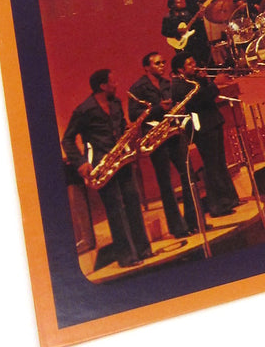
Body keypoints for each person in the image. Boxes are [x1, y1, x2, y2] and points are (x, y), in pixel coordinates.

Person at [61, 69, 152, 268]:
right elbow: (67, 139)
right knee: (115, 210)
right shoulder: (84, 110)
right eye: (113, 82)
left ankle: (143, 249)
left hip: (122, 159)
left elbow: (120, 126)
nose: (116, 85)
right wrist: (81, 162)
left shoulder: (116, 103)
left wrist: (128, 130)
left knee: (133, 202)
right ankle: (127, 257)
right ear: (102, 86)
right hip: (102, 164)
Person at [128, 52, 197, 238]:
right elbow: (133, 114)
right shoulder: (138, 88)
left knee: (188, 174)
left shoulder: (168, 84)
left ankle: (194, 220)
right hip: (156, 136)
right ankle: (178, 227)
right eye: (157, 63)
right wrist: (159, 108)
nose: (162, 65)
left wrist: (177, 108)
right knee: (165, 183)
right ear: (147, 68)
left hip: (174, 132)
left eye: (163, 62)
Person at [169, 51, 241, 217]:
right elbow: (201, 98)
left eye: (193, 62)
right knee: (212, 166)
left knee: (220, 162)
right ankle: (218, 205)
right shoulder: (179, 85)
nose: (194, 66)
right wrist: (213, 83)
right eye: (190, 64)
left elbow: (206, 94)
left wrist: (204, 81)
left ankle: (230, 198)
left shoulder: (193, 80)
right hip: (202, 127)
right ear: (180, 69)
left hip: (212, 122)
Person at [161, 0, 211, 66]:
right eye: (177, 3)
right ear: (172, 5)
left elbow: (193, 24)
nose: (180, 4)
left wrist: (199, 19)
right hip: (180, 42)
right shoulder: (168, 17)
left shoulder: (186, 13)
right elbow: (164, 32)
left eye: (180, 2)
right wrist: (177, 31)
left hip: (192, 40)